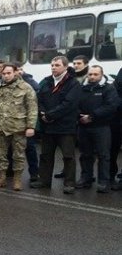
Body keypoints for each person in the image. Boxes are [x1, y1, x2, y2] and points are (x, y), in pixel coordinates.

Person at [31, 56, 81, 194]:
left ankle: (69, 183)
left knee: (68, 156)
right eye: (52, 65)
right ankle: (44, 180)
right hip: (48, 127)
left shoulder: (73, 83)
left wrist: (50, 115)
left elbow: (69, 104)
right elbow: (39, 100)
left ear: (65, 67)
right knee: (45, 155)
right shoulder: (47, 81)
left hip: (65, 127)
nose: (53, 67)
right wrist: (42, 113)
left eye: (57, 65)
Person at [0, 63, 38, 191]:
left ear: (15, 72)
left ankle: (17, 179)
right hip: (0, 128)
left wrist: (31, 126)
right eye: (4, 74)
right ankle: (2, 178)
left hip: (18, 128)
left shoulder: (25, 88)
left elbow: (32, 108)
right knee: (0, 155)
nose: (6, 76)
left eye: (9, 73)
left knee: (18, 155)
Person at [76, 65, 119, 193]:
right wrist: (79, 116)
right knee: (85, 155)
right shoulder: (81, 88)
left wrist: (92, 116)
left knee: (103, 156)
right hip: (83, 127)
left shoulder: (108, 88)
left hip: (101, 127)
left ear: (101, 75)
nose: (92, 77)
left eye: (95, 74)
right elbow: (74, 104)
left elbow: (111, 106)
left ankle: (103, 182)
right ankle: (86, 178)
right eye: (90, 74)